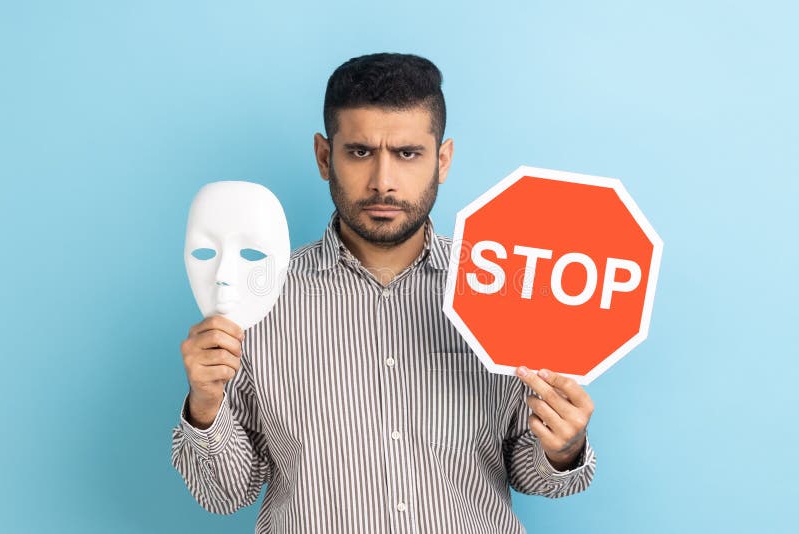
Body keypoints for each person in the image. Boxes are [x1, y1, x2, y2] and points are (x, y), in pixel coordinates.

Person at [172, 52, 597, 534]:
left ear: (443, 160)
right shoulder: (260, 298)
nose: (383, 182)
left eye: (407, 153)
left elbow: (533, 475)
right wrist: (204, 405)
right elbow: (224, 495)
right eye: (359, 152)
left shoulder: (502, 286)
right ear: (323, 156)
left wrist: (563, 448)